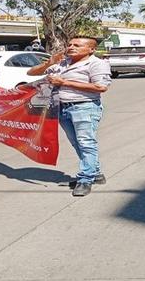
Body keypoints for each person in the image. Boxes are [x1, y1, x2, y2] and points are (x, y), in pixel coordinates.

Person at [27, 37, 111, 197]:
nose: (71, 47)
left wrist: (63, 82)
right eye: (70, 45)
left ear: (90, 49)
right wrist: (49, 62)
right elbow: (31, 72)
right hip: (62, 108)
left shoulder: (96, 64)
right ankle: (96, 174)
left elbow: (101, 87)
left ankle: (85, 179)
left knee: (86, 143)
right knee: (77, 143)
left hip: (84, 107)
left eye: (77, 45)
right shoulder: (63, 62)